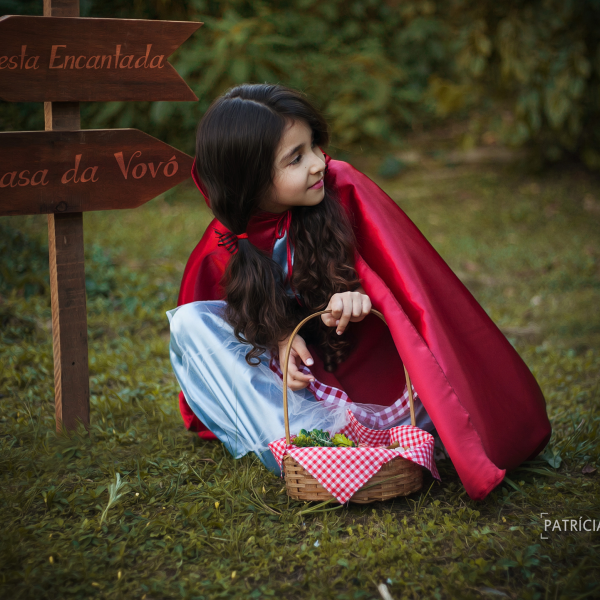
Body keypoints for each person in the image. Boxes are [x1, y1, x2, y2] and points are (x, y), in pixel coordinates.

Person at [167, 83, 551, 500]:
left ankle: (368, 450)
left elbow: (406, 290)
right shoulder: (224, 242)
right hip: (302, 397)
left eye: (313, 146)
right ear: (249, 178)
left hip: (380, 382)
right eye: (296, 158)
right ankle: (309, 449)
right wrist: (277, 337)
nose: (318, 163)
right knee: (190, 324)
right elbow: (225, 333)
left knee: (439, 396)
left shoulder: (340, 187)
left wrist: (354, 295)